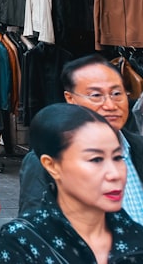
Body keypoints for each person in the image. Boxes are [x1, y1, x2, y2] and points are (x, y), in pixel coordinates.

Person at [0, 103, 143, 263]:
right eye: (96, 159)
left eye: (117, 158)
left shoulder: (135, 237)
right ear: (52, 165)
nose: (114, 174)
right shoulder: (24, 239)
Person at [18, 53, 143, 223]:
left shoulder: (139, 148)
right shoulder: (47, 160)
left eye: (116, 93)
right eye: (96, 95)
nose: (110, 105)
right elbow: (35, 232)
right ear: (71, 99)